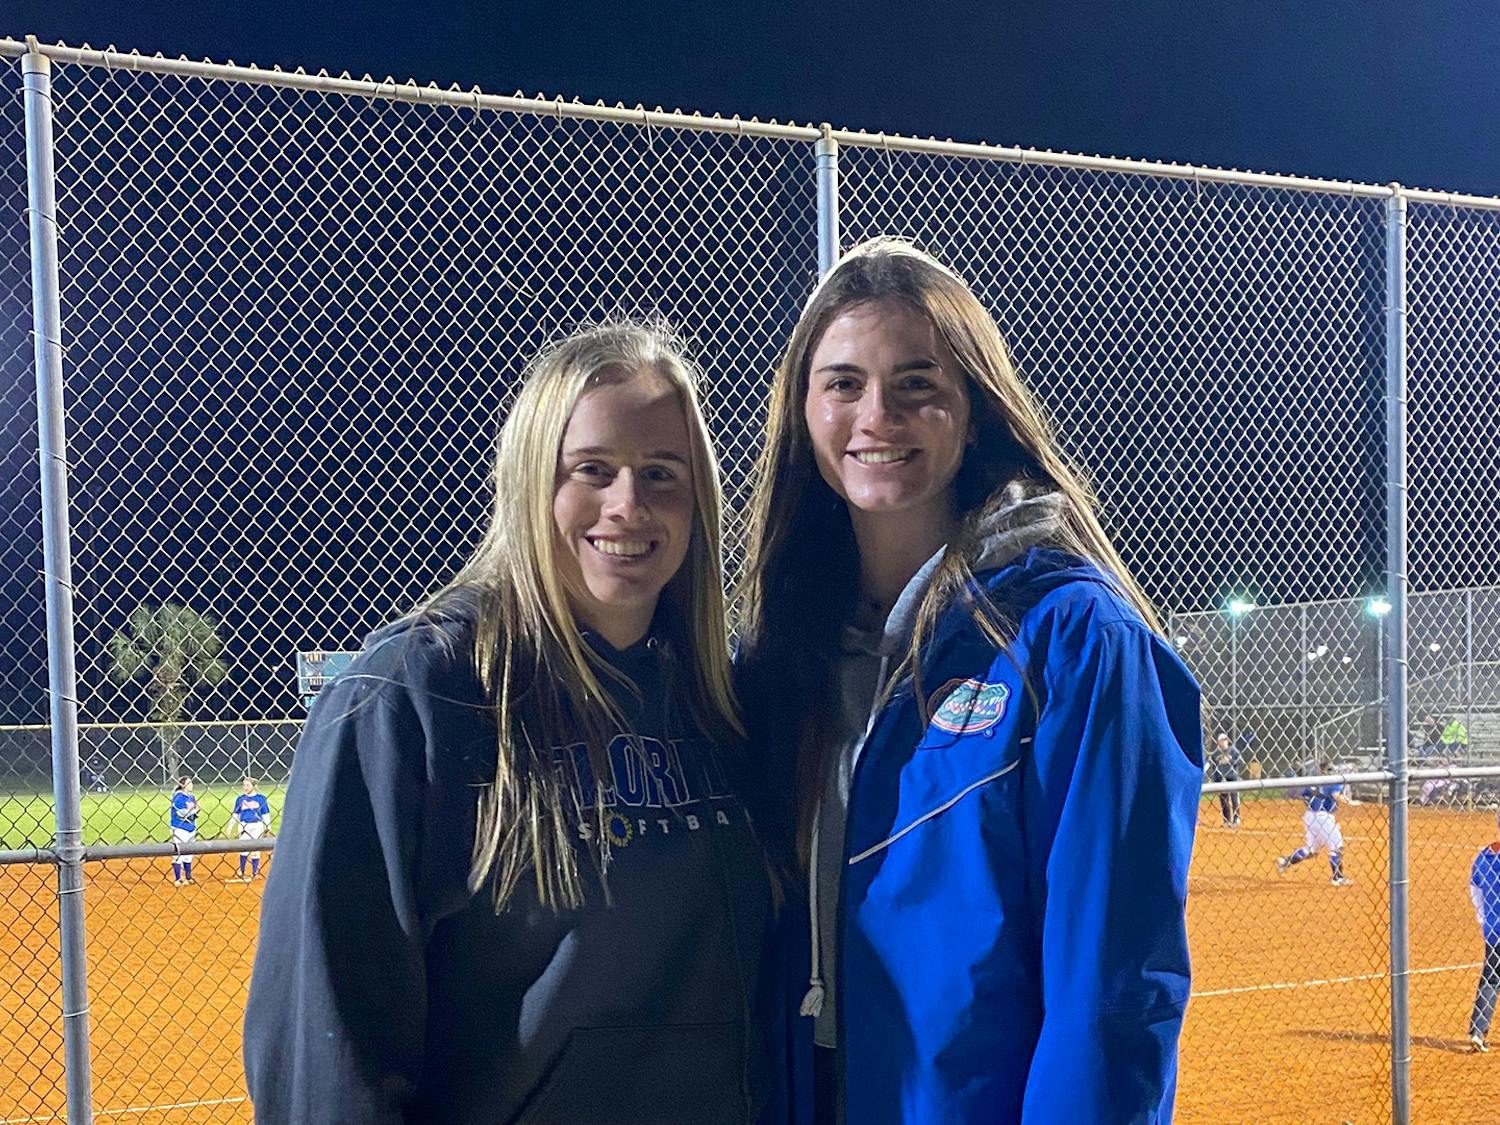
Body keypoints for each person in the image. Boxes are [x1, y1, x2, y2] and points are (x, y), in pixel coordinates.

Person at [244, 323, 779, 1124]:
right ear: (532, 480)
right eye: (591, 469)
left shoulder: (719, 702)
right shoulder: (416, 693)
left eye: (661, 473)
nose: (627, 504)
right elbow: (326, 1058)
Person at [736, 238, 1203, 1124]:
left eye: (916, 383)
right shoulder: (782, 658)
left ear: (975, 410)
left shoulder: (1074, 638)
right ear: (802, 413)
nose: (877, 415)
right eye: (843, 383)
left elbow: (1113, 991)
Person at [1276, 758, 1353, 885]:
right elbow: (1336, 795)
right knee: (1337, 846)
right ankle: (1337, 878)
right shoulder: (1331, 781)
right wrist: (1350, 802)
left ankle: (1285, 861)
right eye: (1330, 769)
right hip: (1324, 816)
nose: (1332, 771)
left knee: (1311, 850)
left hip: (1310, 816)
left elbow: (1302, 795)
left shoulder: (1313, 781)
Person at [1469, 808, 1500, 1053]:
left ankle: (1478, 1031)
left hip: (1494, 928)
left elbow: (1475, 891)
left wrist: (1484, 919)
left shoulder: (1484, 856)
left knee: (1491, 977)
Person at [228, 777, 272, 881]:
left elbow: (265, 814)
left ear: (254, 786)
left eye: (248, 785)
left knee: (255, 850)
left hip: (257, 825)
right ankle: (242, 871)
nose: (245, 787)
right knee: (243, 849)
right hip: (244, 825)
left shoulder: (261, 799)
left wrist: (268, 826)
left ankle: (255, 872)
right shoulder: (240, 799)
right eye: (244, 785)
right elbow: (235, 815)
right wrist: (230, 826)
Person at [169, 776, 199, 886]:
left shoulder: (191, 797)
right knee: (179, 853)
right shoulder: (178, 797)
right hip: (180, 828)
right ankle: (178, 879)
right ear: (183, 785)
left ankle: (188, 877)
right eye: (189, 783)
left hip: (191, 828)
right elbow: (181, 813)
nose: (191, 785)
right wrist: (195, 810)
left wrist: (195, 812)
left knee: (189, 854)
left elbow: (193, 811)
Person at [1209, 731, 1242, 826]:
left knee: (1234, 798)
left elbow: (1240, 762)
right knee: (1224, 800)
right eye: (1222, 741)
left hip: (1232, 777)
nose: (1224, 742)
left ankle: (1236, 818)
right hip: (1221, 778)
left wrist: (1231, 761)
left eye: (1225, 740)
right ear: (1218, 742)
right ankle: (1227, 820)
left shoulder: (1233, 750)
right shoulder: (1216, 754)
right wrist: (1215, 780)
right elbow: (1214, 768)